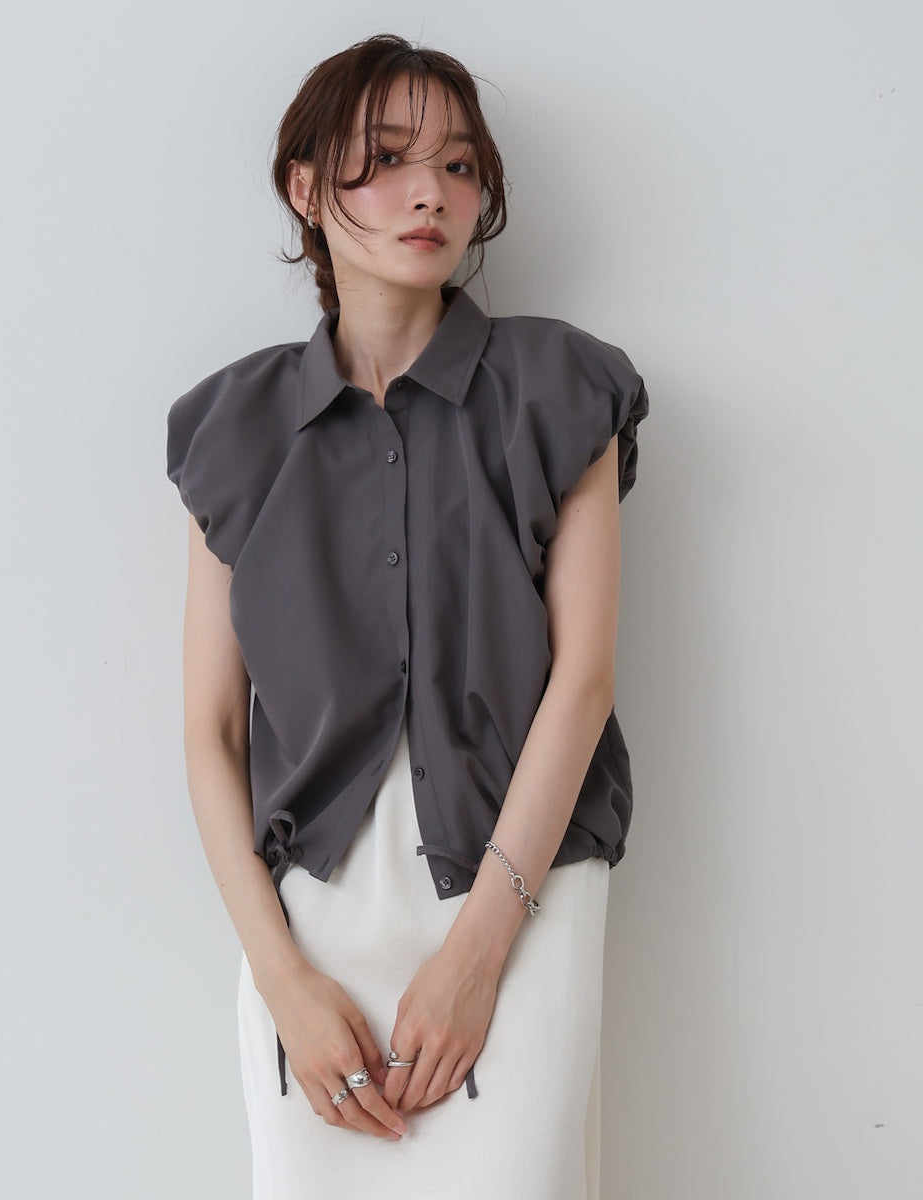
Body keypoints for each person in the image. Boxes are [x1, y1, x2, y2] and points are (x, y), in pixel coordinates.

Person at [166, 32, 649, 1200]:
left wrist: (477, 956)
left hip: (518, 896)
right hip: (308, 930)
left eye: (459, 166)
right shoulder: (232, 429)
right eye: (385, 159)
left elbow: (583, 681)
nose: (430, 192)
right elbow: (211, 731)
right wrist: (280, 978)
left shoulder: (559, 391)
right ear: (304, 187)